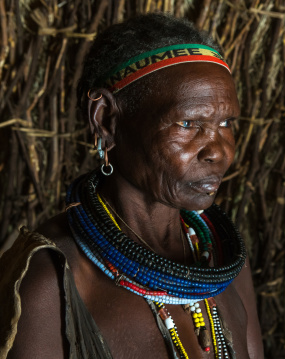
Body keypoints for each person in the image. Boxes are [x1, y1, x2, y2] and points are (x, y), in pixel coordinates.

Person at [0, 13, 263, 358]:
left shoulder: (225, 262)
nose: (219, 151)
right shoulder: (49, 283)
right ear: (106, 119)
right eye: (187, 123)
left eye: (226, 123)